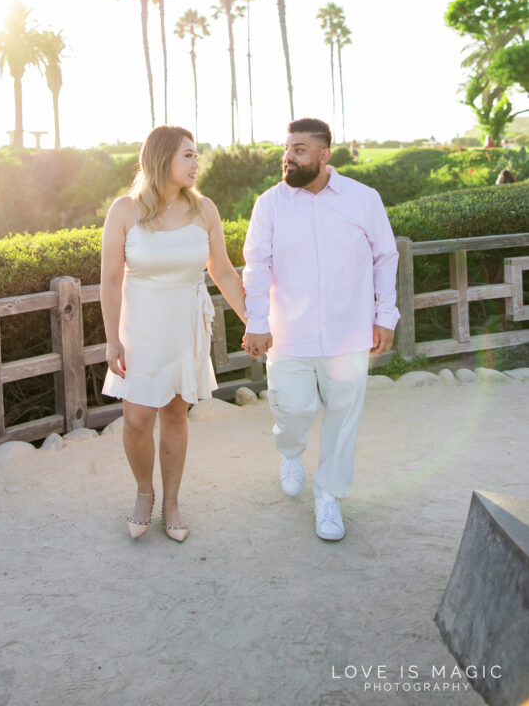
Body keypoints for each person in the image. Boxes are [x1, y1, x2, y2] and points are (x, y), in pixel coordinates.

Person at [242, 118, 400, 541]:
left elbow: (386, 256)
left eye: (299, 150)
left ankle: (328, 496)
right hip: (289, 332)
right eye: (287, 149)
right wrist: (257, 322)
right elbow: (257, 267)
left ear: (324, 155)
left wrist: (386, 315)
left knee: (344, 418)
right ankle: (291, 452)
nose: (288, 158)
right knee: (291, 410)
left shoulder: (363, 199)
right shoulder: (270, 203)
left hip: (349, 331)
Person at [101, 125, 246, 542]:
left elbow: (223, 271)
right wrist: (113, 339)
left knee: (175, 415)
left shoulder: (204, 210)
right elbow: (110, 279)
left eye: (196, 155)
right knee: (136, 419)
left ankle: (172, 502)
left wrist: (254, 322)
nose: (196, 163)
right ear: (163, 157)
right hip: (140, 327)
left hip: (184, 324)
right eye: (188, 155)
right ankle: (144, 493)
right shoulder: (124, 211)